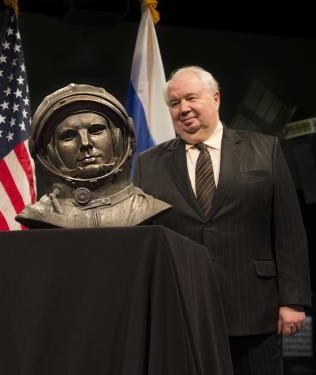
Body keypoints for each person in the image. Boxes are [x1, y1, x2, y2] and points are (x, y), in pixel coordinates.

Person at [133, 65, 311, 374]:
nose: (183, 108)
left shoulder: (264, 149)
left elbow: (289, 231)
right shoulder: (148, 164)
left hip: (255, 308)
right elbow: (144, 241)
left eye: (191, 98)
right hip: (184, 310)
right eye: (174, 103)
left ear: (215, 98)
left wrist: (293, 300)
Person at [16, 83, 170, 228]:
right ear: (48, 152)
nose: (85, 143)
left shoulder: (150, 209)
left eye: (96, 130)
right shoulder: (40, 215)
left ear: (119, 139)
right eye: (69, 136)